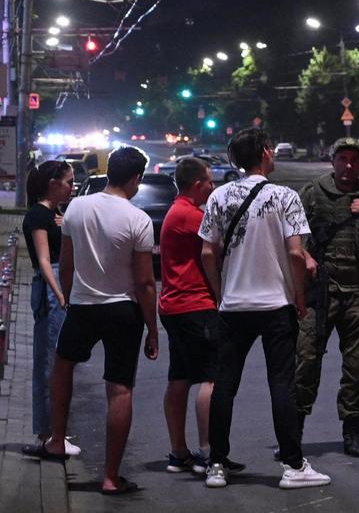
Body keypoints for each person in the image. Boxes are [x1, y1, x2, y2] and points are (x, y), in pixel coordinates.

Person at [198, 129, 330, 490]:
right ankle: (293, 466)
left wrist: (220, 291)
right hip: (275, 305)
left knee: (225, 385)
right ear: (264, 153)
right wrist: (299, 296)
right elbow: (294, 252)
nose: (273, 153)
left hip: (233, 306)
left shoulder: (219, 196)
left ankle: (216, 465)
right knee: (281, 385)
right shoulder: (284, 196)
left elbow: (208, 252)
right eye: (270, 148)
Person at [36, 146, 158, 496]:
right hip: (122, 309)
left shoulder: (77, 207)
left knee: (62, 366)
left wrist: (72, 298)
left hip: (83, 305)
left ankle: (57, 440)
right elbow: (146, 283)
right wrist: (152, 328)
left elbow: (68, 264)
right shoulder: (138, 220)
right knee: (119, 388)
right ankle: (110, 476)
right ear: (135, 179)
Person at [295, 137, 359, 457]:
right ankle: (293, 432)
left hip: (357, 295)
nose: (348, 166)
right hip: (319, 294)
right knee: (306, 361)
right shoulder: (312, 194)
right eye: (343, 159)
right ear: (333, 160)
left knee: (357, 366)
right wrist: (303, 261)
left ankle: (352, 430)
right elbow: (289, 235)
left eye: (355, 159)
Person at [158, 157, 219, 474]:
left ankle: (178, 452)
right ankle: (208, 452)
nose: (213, 186)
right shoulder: (192, 215)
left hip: (174, 305)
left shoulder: (176, 211)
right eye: (209, 182)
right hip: (195, 304)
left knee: (180, 377)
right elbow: (218, 248)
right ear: (197, 185)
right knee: (212, 377)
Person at [20, 160, 81, 458]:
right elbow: (44, 260)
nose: (73, 186)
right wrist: (59, 294)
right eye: (69, 181)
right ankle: (47, 434)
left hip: (57, 284)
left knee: (56, 361)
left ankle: (53, 431)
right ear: (53, 183)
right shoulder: (37, 215)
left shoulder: (53, 215)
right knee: (49, 363)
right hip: (50, 285)